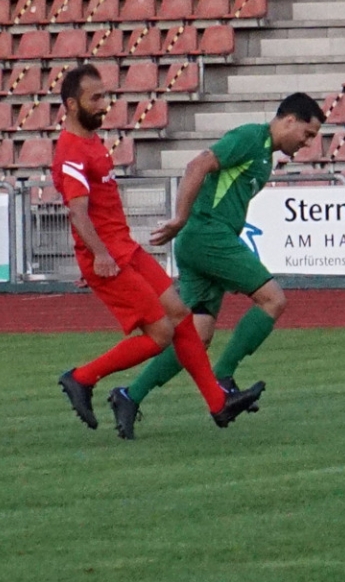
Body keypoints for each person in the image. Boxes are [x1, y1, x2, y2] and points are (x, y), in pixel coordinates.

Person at [50, 64, 265, 437]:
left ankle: (218, 403)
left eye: (104, 96)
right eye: (95, 98)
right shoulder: (70, 151)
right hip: (108, 257)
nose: (104, 104)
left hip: (124, 249)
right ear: (71, 104)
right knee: (161, 333)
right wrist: (99, 255)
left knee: (181, 315)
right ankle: (81, 378)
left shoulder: (91, 142)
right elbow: (78, 212)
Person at [106, 94, 325, 438]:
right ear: (289, 120)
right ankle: (223, 378)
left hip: (205, 238)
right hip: (208, 235)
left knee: (196, 336)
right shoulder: (250, 138)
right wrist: (181, 217)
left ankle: (129, 396)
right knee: (273, 300)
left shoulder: (265, 156)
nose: (308, 143)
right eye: (307, 134)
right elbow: (198, 165)